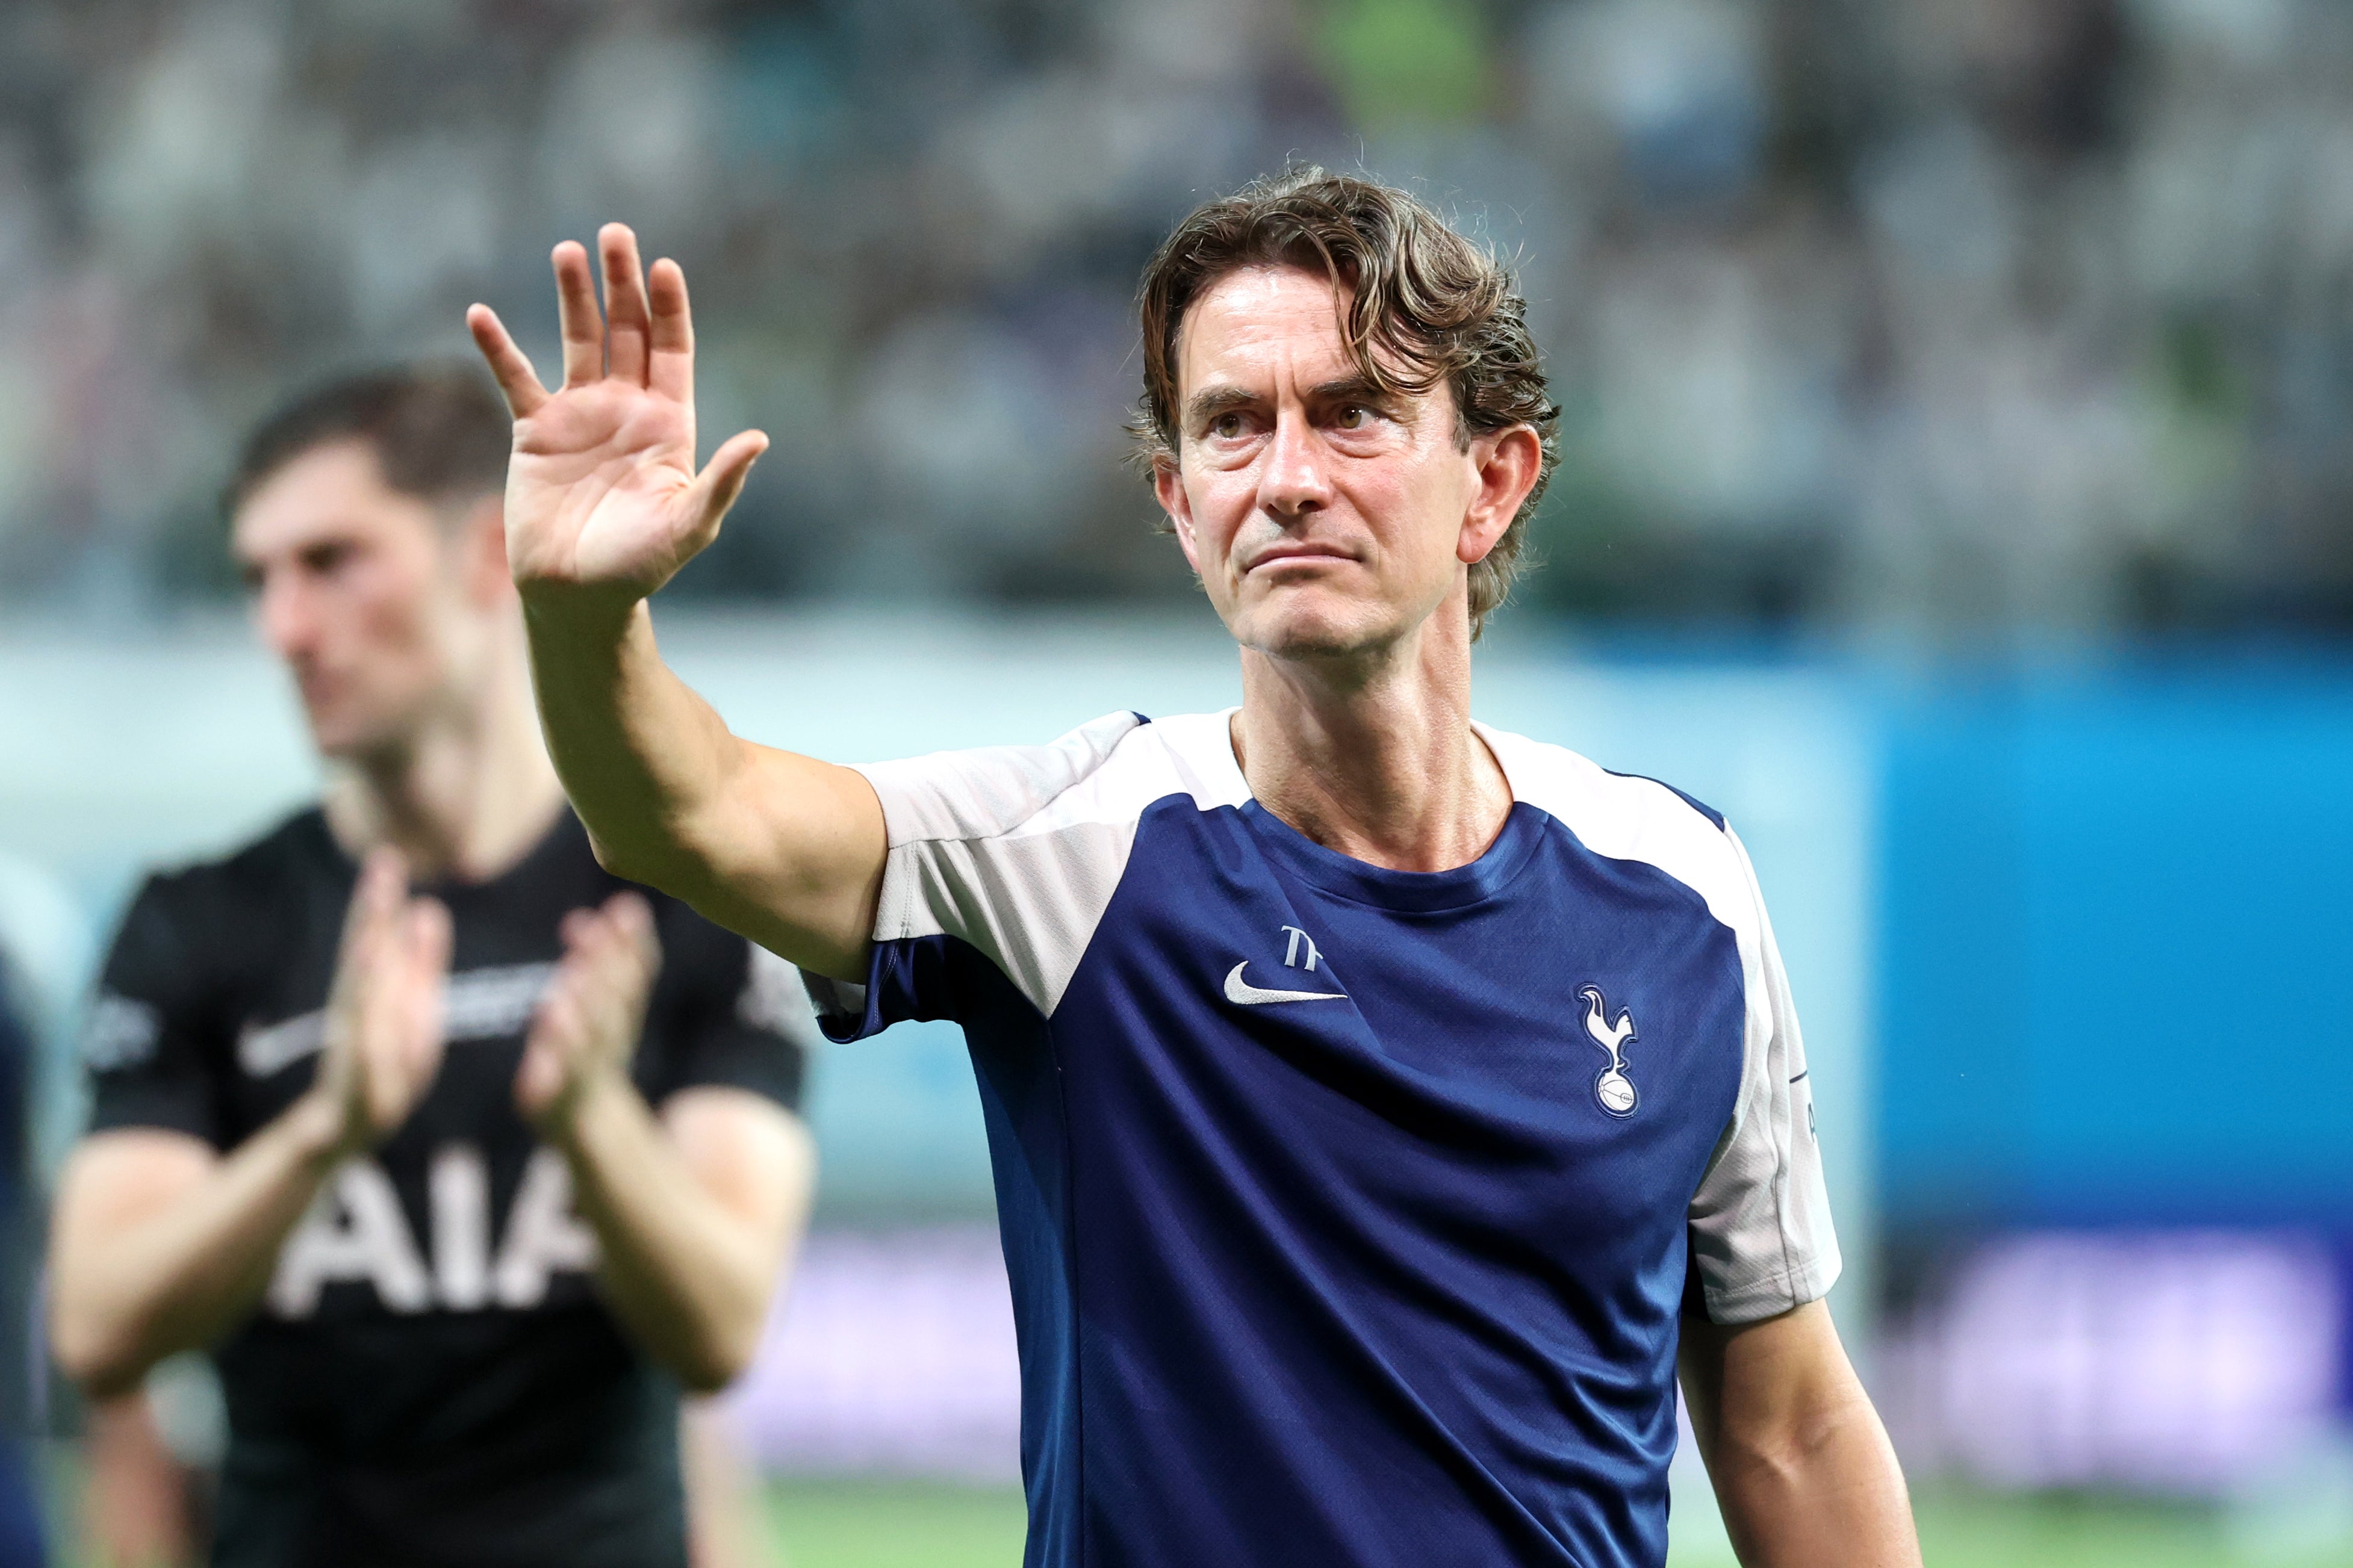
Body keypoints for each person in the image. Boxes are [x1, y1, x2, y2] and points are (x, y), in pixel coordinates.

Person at [464, 169, 1920, 1567]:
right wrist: (584, 624)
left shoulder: (1679, 888)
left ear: (1490, 482)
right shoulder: (1072, 860)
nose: (1285, 477)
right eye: (1231, 427)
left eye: (1349, 414)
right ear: (1179, 505)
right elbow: (688, 815)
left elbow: (1784, 1418)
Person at [47, 368, 818, 1568]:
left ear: (479, 556)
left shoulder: (673, 901)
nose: (284, 629)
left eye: (332, 562)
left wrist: (588, 1120)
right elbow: (96, 1328)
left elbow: (722, 1328)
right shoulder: (197, 925)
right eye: (260, 579)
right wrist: (326, 1128)